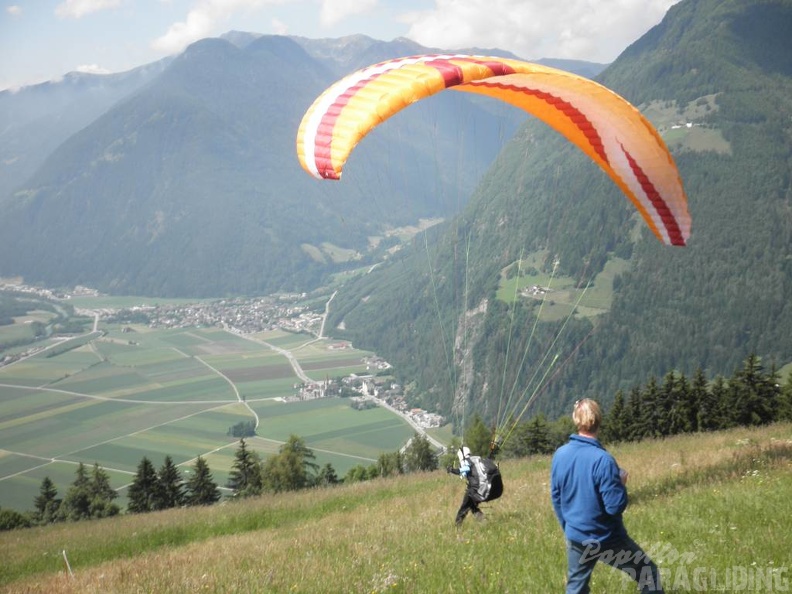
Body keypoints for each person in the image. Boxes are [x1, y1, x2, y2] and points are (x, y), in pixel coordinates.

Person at [550, 399, 664, 594]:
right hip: (606, 538)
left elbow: (556, 497)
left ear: (576, 420)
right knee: (647, 573)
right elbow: (614, 506)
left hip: (576, 535)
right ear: (599, 421)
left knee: (576, 588)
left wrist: (568, 527)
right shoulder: (603, 460)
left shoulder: (560, 455)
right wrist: (620, 483)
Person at [447, 446, 485, 526]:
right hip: (481, 487)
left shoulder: (467, 461)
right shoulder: (475, 460)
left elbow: (465, 469)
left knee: (464, 508)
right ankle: (483, 521)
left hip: (473, 489)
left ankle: (457, 526)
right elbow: (465, 473)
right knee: (472, 506)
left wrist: (452, 470)